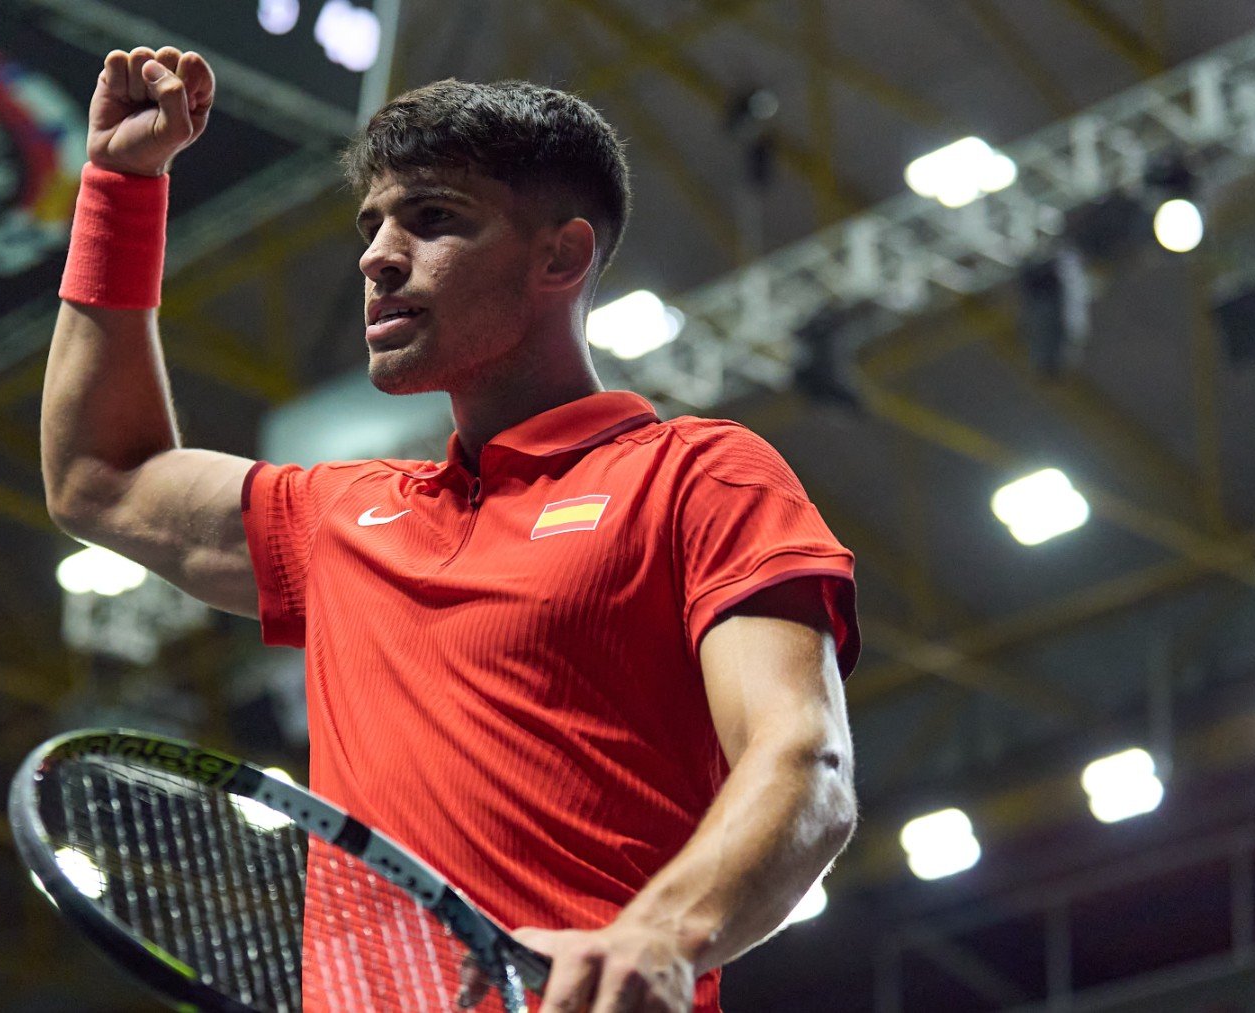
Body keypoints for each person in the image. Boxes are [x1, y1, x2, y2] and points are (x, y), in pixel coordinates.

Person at [43, 45, 860, 1013]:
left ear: (562, 255)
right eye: (372, 223)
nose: (379, 255)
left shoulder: (695, 475)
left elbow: (804, 760)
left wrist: (665, 930)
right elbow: (101, 474)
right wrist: (123, 185)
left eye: (433, 219)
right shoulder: (342, 517)